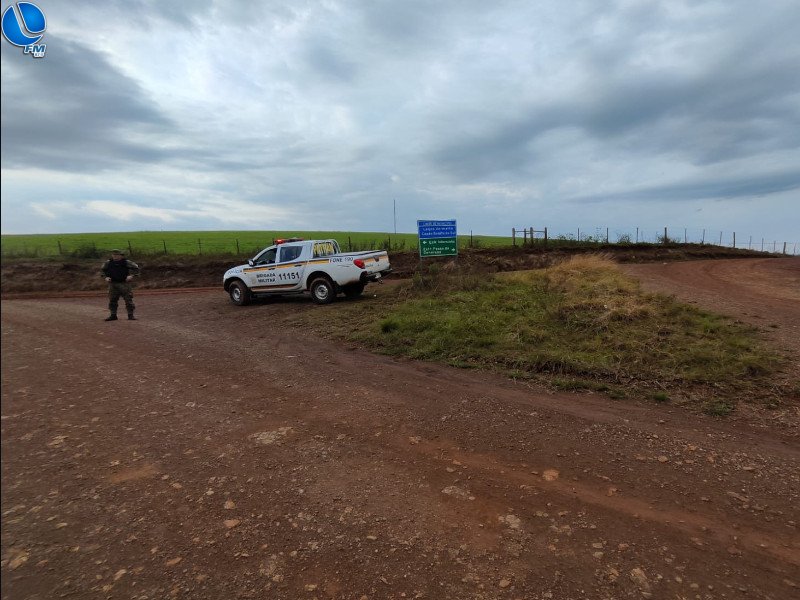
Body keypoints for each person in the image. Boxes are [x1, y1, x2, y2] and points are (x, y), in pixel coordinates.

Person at [101, 249, 140, 321]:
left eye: (116, 255)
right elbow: (102, 271)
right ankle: (113, 315)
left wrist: (131, 276)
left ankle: (130, 315)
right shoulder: (108, 263)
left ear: (121, 255)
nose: (115, 256)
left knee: (128, 299)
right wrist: (106, 277)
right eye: (113, 255)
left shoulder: (126, 262)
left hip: (124, 284)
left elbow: (136, 269)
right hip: (113, 284)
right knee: (112, 300)